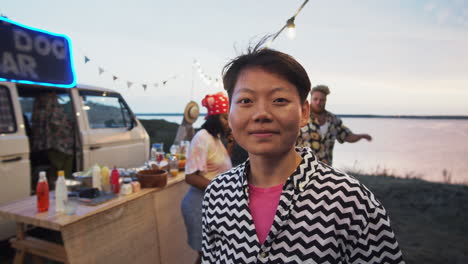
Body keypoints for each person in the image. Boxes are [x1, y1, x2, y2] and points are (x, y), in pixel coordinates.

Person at [201, 43, 404, 263]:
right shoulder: (217, 194)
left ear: (304, 112)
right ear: (229, 114)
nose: (261, 114)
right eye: (246, 101)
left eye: (279, 100)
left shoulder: (349, 201)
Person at [181, 92, 233, 264]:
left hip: (213, 206)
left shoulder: (215, 138)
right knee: (206, 256)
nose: (228, 122)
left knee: (214, 255)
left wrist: (230, 144)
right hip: (199, 206)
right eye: (225, 118)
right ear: (214, 118)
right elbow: (190, 177)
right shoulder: (201, 137)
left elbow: (221, 166)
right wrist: (222, 188)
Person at [296, 85, 372, 165]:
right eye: (315, 99)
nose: (318, 102)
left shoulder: (333, 120)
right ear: (310, 99)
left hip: (325, 169)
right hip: (303, 167)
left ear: (326, 101)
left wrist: (362, 136)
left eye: (322, 100)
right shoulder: (300, 116)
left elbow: (347, 136)